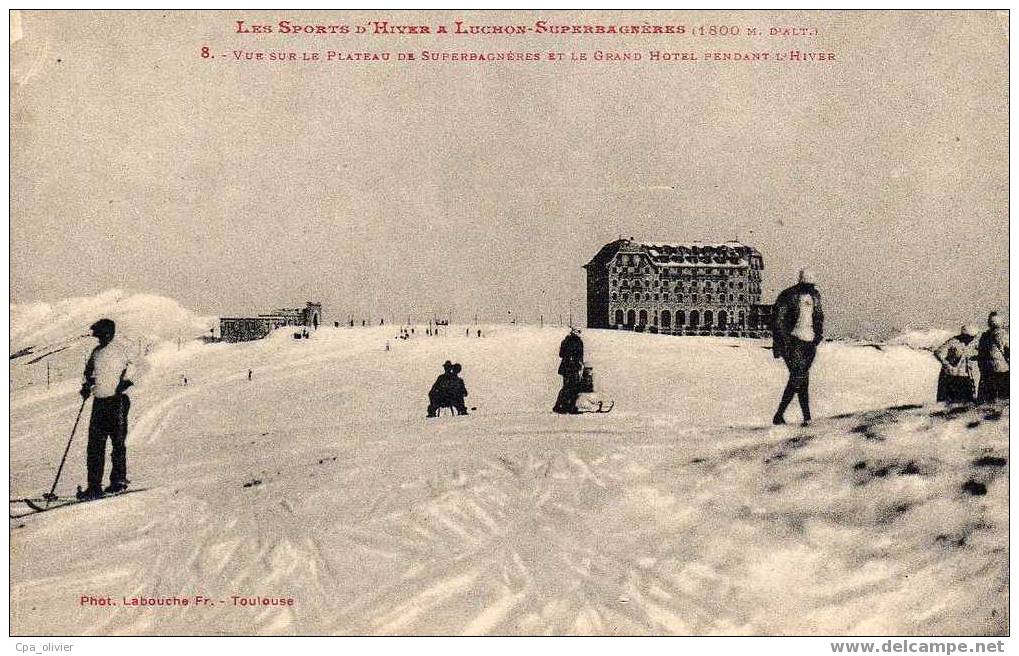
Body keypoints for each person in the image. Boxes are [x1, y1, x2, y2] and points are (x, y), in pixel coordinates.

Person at [77, 319, 138, 500]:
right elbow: (88, 373)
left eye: (102, 335)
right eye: (98, 336)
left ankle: (118, 480)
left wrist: (126, 381)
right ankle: (94, 486)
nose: (99, 339)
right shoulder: (96, 353)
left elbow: (135, 365)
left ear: (110, 334)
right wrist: (86, 386)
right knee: (95, 445)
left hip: (117, 401)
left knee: (117, 442)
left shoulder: (120, 350)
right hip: (100, 402)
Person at [771, 269, 824, 425]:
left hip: (810, 341)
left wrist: (818, 335)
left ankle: (805, 418)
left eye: (811, 285)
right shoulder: (788, 295)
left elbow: (819, 316)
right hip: (793, 341)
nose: (810, 288)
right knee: (798, 377)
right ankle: (780, 415)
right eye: (807, 285)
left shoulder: (815, 296)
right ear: (801, 283)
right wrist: (781, 343)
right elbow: (778, 320)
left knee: (802, 379)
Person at [934, 325, 979, 403]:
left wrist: (975, 357)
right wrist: (947, 365)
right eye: (970, 337)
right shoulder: (953, 341)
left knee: (967, 403)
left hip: (965, 376)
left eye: (973, 337)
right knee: (949, 402)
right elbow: (938, 352)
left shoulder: (972, 343)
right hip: (950, 376)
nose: (972, 339)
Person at [977, 312, 1009, 402]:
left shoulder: (984, 336)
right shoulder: (1003, 334)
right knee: (1004, 399)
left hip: (986, 371)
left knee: (988, 399)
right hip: (1002, 371)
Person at [553, 328, 584, 414]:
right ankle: (566, 407)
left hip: (568, 367)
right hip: (570, 367)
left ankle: (563, 406)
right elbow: (578, 356)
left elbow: (561, 354)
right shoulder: (576, 342)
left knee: (568, 387)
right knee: (571, 387)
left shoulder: (567, 341)